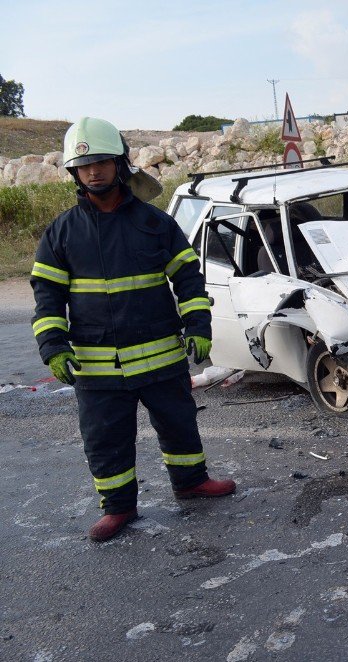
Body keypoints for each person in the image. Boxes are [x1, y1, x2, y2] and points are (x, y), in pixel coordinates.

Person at [30, 117, 235, 543]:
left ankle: (191, 483)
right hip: (97, 366)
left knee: (179, 424)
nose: (94, 172)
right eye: (84, 166)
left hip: (161, 356)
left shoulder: (154, 222)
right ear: (74, 172)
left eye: (102, 162)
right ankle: (118, 508)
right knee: (105, 440)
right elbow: (46, 295)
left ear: (121, 164)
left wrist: (198, 323)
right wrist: (53, 344)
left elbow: (188, 277)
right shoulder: (61, 232)